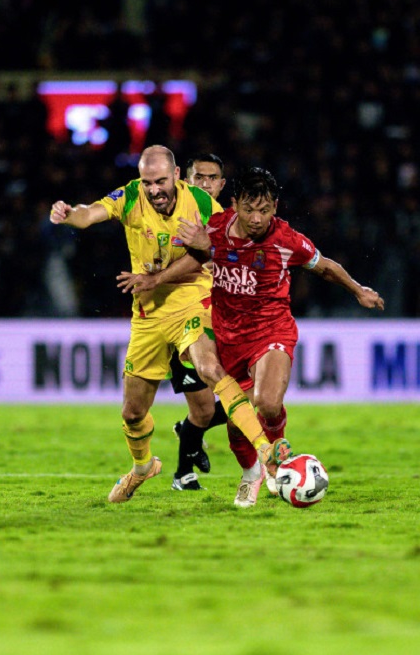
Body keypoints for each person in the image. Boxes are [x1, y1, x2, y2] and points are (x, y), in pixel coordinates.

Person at [51, 146, 284, 504]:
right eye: (148, 182)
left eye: (161, 181)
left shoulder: (204, 206)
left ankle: (266, 453)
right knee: (132, 413)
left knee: (210, 368)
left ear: (176, 176)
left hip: (194, 300)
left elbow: (211, 255)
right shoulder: (130, 196)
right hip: (147, 314)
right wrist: (69, 214)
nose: (154, 190)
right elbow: (90, 214)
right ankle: (143, 467)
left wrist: (158, 279)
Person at [171, 167, 385, 506]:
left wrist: (358, 290)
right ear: (234, 204)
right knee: (237, 427)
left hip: (272, 329)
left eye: (265, 209)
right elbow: (191, 262)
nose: (257, 218)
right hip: (228, 336)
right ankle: (252, 473)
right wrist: (195, 253)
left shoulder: (287, 241)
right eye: (249, 209)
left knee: (268, 404)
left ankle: (278, 459)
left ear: (276, 207)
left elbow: (325, 266)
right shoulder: (213, 229)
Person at [167, 153, 231, 486]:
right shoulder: (174, 220)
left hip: (227, 322)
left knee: (252, 394)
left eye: (212, 178)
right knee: (204, 410)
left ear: (221, 184)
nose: (205, 183)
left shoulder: (232, 223)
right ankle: (183, 474)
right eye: (199, 177)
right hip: (187, 323)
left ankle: (188, 431)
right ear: (186, 181)